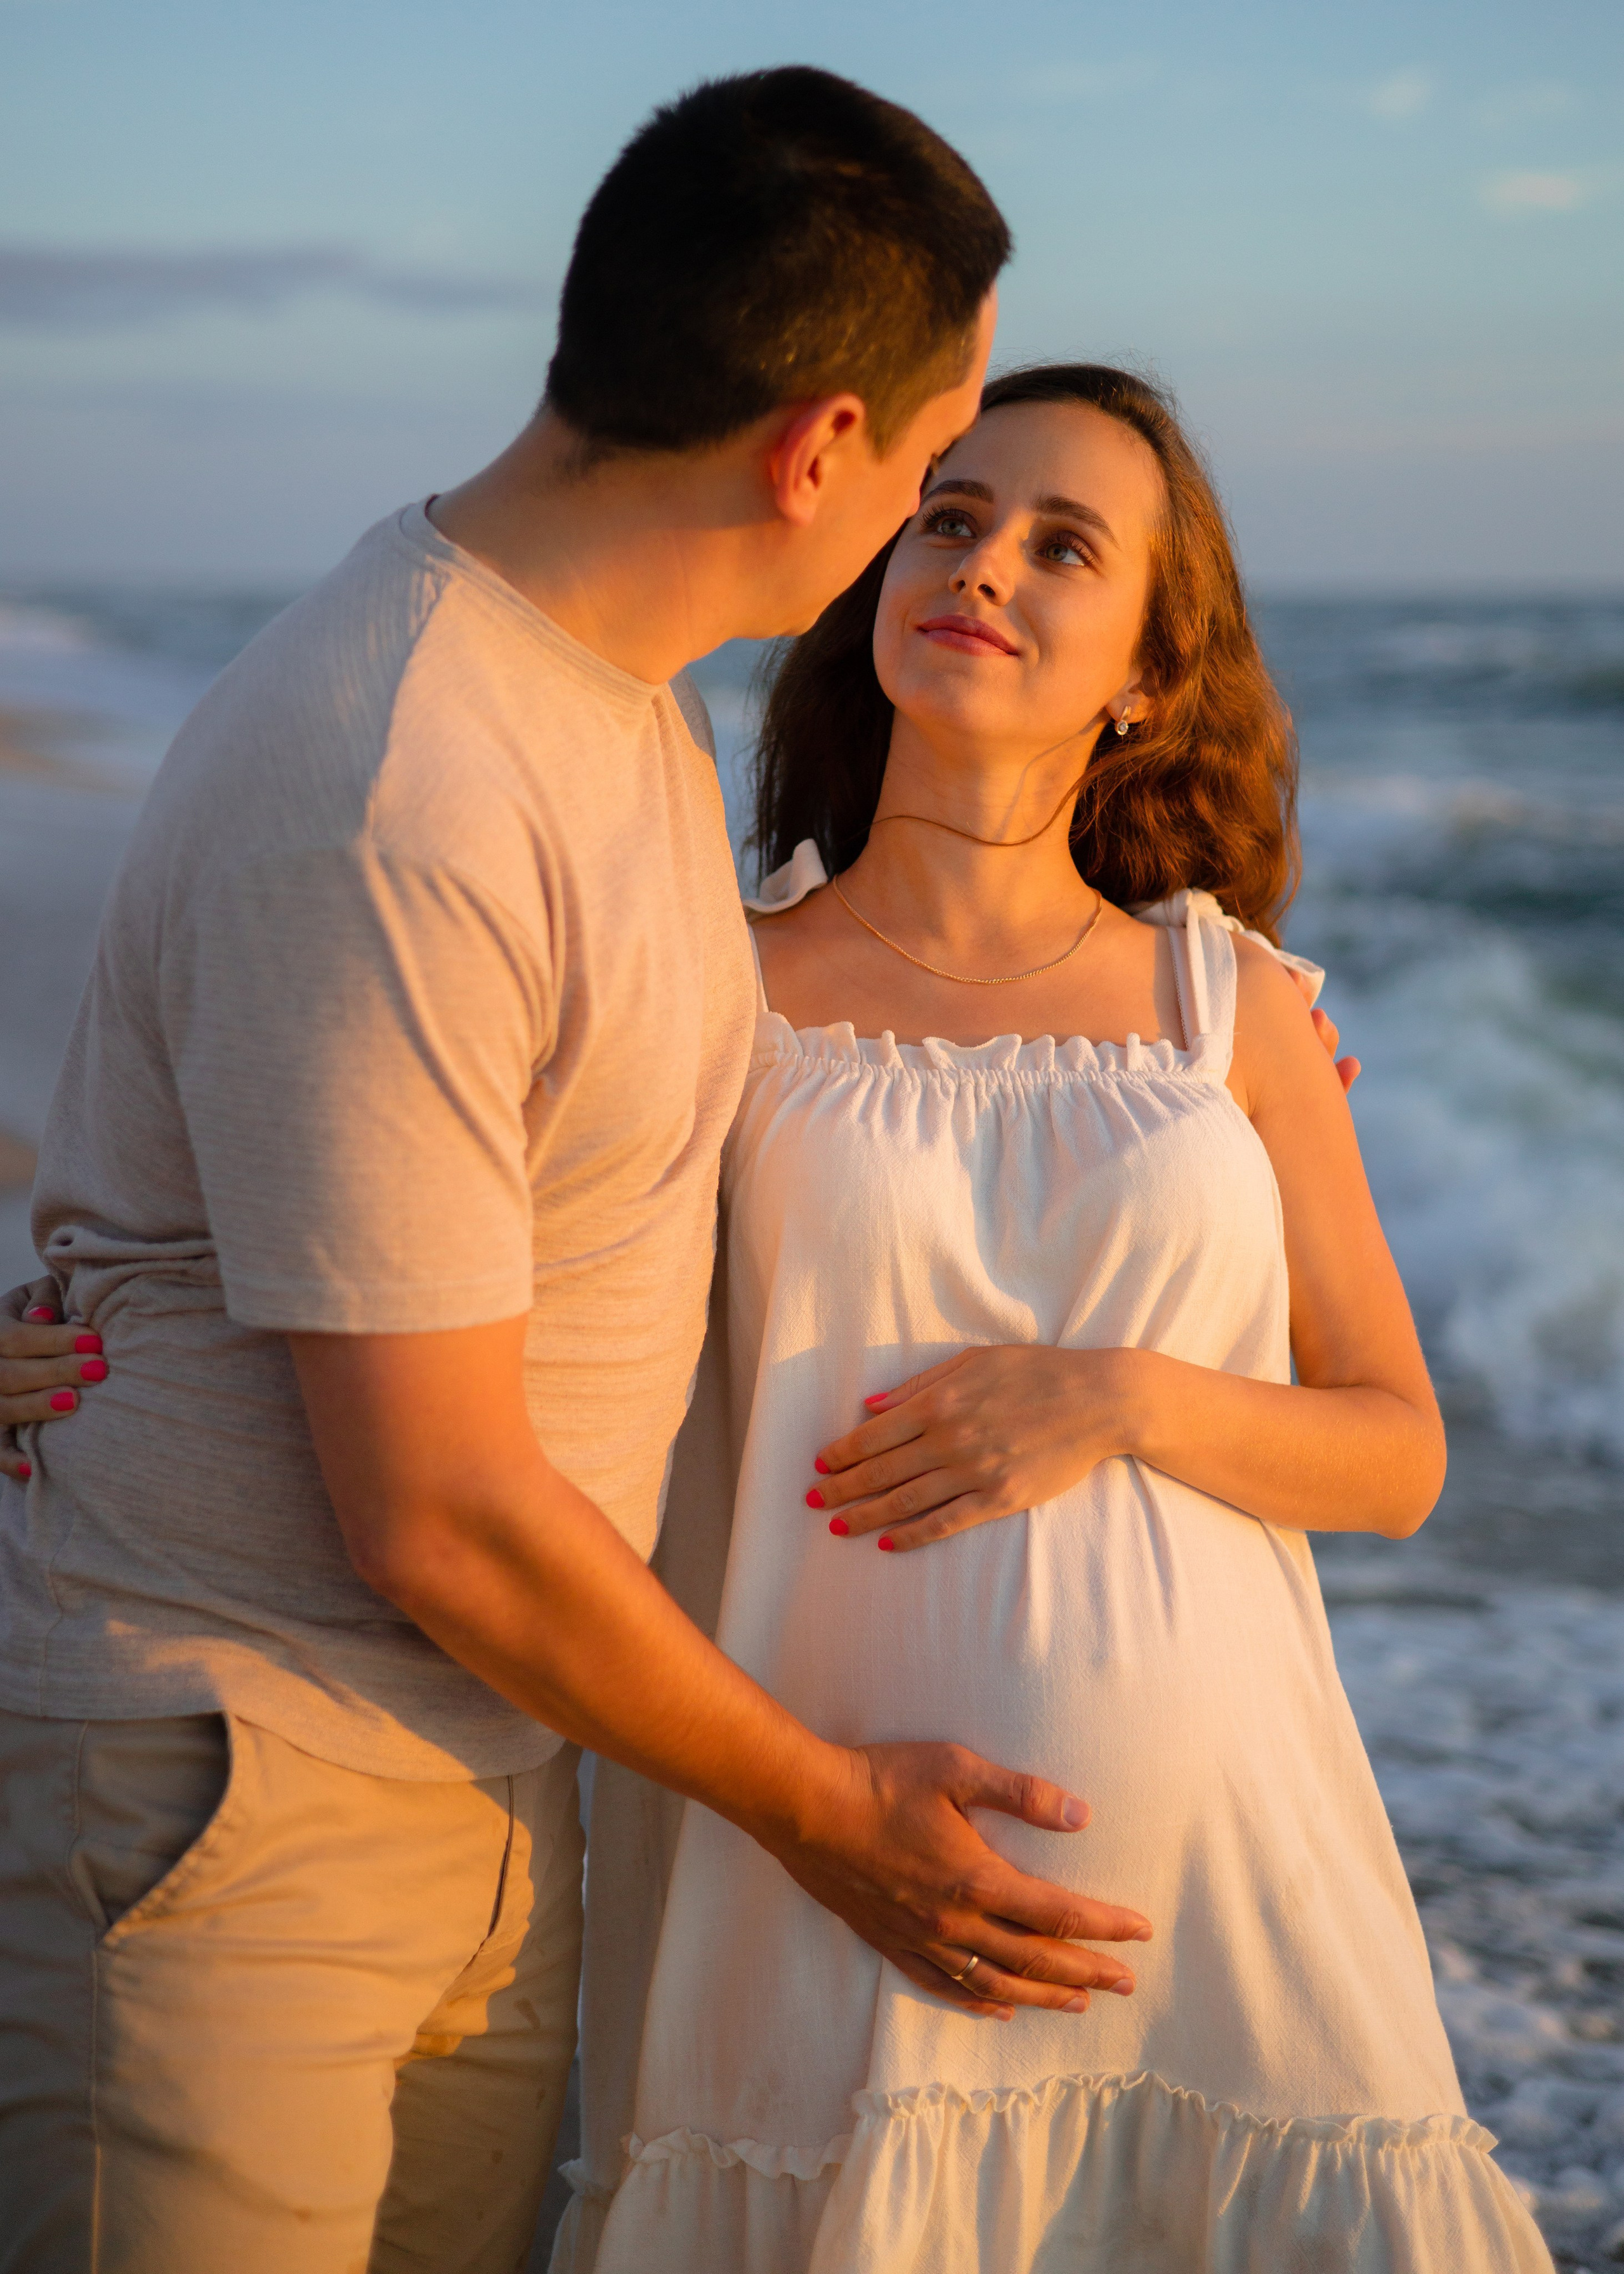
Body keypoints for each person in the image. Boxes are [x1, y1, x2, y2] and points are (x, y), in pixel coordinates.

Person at [0, 73, 1167, 2274]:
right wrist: (838, 1821)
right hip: (236, 1787)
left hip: (491, 1767)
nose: (941, 510)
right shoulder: (397, 783)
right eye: (939, 458)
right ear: (821, 451)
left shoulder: (622, 703)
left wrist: (1197, 1042)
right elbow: (429, 1505)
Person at [555, 365, 1552, 2271]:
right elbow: (475, 1310)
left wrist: (1121, 1396)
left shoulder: (1231, 1010)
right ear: (875, 573)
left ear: (1148, 677)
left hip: (1235, 1919)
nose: (985, 563)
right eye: (951, 515)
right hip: (836, 1891)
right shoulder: (717, 982)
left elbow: (1399, 1448)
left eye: (1061, 543)